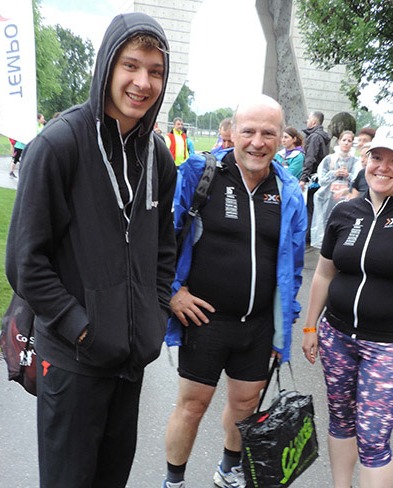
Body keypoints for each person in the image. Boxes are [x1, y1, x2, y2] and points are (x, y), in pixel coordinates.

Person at [5, 13, 177, 488]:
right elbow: (25, 262)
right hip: (73, 362)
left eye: (155, 71)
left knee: (110, 479)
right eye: (131, 65)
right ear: (107, 66)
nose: (143, 82)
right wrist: (82, 329)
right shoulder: (58, 145)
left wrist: (155, 314)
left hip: (130, 362)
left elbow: (164, 248)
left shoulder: (158, 156)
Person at [162, 95, 307, 488]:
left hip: (258, 327)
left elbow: (293, 267)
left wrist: (284, 325)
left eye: (268, 133)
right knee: (192, 407)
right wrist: (173, 291)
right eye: (249, 131)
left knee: (245, 406)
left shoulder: (289, 190)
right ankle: (173, 482)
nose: (258, 142)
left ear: (281, 137)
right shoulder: (201, 173)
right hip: (205, 321)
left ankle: (229, 470)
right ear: (233, 132)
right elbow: (161, 239)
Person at [301, 125, 393, 488]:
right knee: (340, 420)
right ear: (366, 160)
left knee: (372, 438)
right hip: (336, 336)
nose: (383, 167)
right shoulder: (345, 211)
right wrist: (310, 327)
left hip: (390, 345)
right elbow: (323, 273)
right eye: (377, 157)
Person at [311, 130, 358, 249]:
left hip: (347, 198)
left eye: (349, 141)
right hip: (327, 198)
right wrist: (333, 173)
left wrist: (348, 175)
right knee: (326, 223)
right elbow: (321, 180)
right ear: (339, 141)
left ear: (352, 143)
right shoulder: (329, 159)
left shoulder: (355, 161)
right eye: (344, 140)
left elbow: (358, 181)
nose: (346, 143)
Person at [300, 111, 331, 243]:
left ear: (313, 122)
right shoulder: (323, 137)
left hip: (312, 177)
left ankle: (307, 237)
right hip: (319, 176)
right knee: (314, 207)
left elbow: (310, 158)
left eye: (308, 119)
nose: (306, 121)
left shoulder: (314, 137)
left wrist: (303, 177)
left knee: (309, 207)